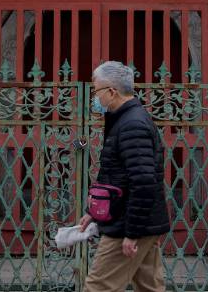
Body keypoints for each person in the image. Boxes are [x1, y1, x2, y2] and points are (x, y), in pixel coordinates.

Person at [77, 60, 171, 292]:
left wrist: (132, 233)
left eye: (96, 91)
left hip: (127, 224)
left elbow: (143, 182)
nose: (95, 98)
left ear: (112, 91)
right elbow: (116, 177)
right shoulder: (124, 120)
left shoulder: (132, 125)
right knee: (149, 287)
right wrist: (92, 212)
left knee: (98, 288)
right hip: (139, 221)